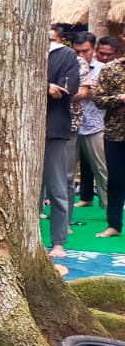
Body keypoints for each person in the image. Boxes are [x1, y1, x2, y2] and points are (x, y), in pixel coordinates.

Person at [44, 24, 83, 258]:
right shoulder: (24, 51)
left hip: (53, 128)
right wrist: (46, 86)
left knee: (57, 186)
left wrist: (51, 88)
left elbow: (68, 89)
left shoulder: (66, 55)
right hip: (20, 129)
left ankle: (58, 242)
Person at [73, 31, 109, 214]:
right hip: (72, 125)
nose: (81, 55)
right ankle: (69, 204)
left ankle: (109, 205)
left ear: (93, 49)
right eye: (77, 51)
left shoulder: (104, 69)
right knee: (67, 169)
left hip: (95, 125)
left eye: (84, 51)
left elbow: (104, 96)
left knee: (102, 169)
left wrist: (88, 91)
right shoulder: (69, 66)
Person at [93, 36, 125, 237]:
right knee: (115, 180)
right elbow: (98, 100)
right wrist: (118, 99)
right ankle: (113, 225)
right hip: (116, 133)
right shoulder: (111, 69)